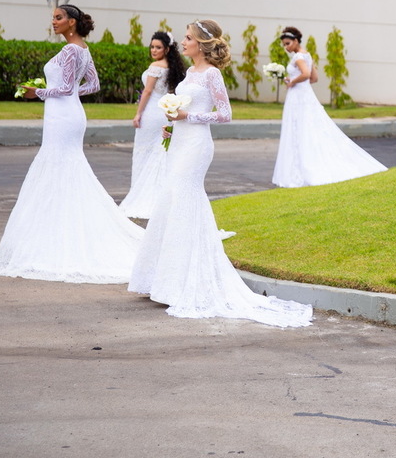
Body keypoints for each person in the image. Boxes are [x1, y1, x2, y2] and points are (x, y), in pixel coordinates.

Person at [128, 20, 312, 327]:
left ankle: (185, 282)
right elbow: (182, 111)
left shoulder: (212, 74)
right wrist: (173, 124)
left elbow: (225, 113)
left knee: (185, 200)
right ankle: (165, 281)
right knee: (173, 202)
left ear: (201, 44)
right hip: (180, 141)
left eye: (187, 38)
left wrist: (190, 116)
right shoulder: (188, 73)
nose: (182, 43)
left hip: (197, 147)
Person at [0, 5, 145, 282]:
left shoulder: (69, 51)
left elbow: (66, 88)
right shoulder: (84, 49)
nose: (53, 22)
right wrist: (63, 94)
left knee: (59, 166)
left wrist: (37, 92)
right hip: (69, 113)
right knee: (66, 169)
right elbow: (92, 85)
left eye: (58, 18)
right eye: (53, 18)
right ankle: (60, 229)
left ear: (72, 23)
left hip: (63, 117)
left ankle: (58, 236)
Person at [271, 26, 386, 188]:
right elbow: (314, 78)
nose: (286, 47)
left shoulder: (298, 57)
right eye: (284, 45)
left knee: (299, 128)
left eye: (288, 43)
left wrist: (291, 81)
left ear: (296, 41)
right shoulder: (307, 55)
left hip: (298, 97)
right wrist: (296, 79)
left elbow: (305, 75)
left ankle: (299, 169)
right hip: (306, 95)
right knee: (309, 128)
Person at [120, 31, 186, 220]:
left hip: (151, 113)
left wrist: (138, 113)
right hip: (164, 114)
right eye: (152, 46)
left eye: (158, 47)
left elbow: (147, 92)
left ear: (166, 49)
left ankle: (142, 193)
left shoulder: (156, 67)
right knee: (160, 153)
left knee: (144, 151)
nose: (154, 50)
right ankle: (162, 196)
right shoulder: (174, 68)